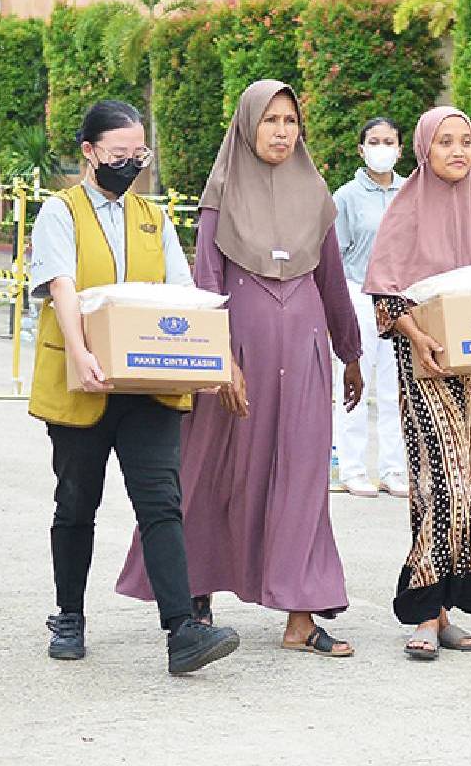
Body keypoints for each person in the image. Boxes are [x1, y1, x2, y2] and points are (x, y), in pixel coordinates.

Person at [116, 80, 364, 658]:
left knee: (304, 478)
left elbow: (331, 281)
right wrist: (218, 359)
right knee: (214, 474)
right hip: (237, 357)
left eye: (290, 120)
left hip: (303, 356)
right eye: (270, 120)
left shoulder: (316, 192)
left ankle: (302, 616)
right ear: (247, 126)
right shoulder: (222, 191)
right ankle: (195, 593)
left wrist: (349, 353)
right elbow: (207, 279)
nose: (281, 131)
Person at [27, 100, 239, 674]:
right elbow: (62, 286)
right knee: (76, 504)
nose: (131, 164)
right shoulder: (60, 213)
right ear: (90, 153)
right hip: (83, 384)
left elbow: (180, 292)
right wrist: (81, 352)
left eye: (138, 154)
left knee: (161, 505)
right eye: (119, 155)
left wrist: (203, 363)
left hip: (147, 384)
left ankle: (182, 632)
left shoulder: (153, 216)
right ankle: (68, 614)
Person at [364, 105, 471, 660]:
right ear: (424, 149)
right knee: (441, 486)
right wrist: (417, 335)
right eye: (446, 142)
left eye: (466, 140)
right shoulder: (406, 208)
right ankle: (423, 610)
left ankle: (447, 612)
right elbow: (388, 295)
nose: (458, 151)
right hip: (430, 367)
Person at [330, 117, 409, 499]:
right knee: (355, 384)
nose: (382, 147)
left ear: (400, 148)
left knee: (398, 388)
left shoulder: (411, 193)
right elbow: (335, 254)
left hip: (399, 298)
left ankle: (395, 469)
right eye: (374, 141)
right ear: (361, 150)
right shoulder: (345, 197)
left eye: (388, 141)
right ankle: (353, 468)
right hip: (358, 293)